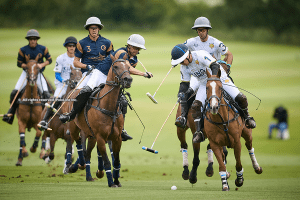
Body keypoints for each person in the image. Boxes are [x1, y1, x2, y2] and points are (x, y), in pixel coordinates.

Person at [59, 34, 153, 141]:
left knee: (123, 101)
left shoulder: (134, 60)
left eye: (138, 48)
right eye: (135, 47)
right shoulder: (121, 52)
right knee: (86, 91)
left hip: (111, 80)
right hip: (100, 73)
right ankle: (71, 115)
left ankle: (121, 129)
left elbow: (125, 72)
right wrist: (143, 74)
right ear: (129, 46)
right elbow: (128, 67)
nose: (136, 50)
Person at [170, 44, 256, 144]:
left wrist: (214, 80)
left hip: (220, 79)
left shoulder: (200, 55)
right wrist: (181, 93)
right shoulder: (184, 67)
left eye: (182, 61)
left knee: (241, 98)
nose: (182, 63)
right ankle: (199, 132)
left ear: (188, 55)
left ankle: (247, 118)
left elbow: (214, 65)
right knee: (196, 106)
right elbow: (184, 83)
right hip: (203, 84)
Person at [180, 16, 234, 167]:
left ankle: (243, 117)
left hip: (215, 75)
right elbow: (180, 49)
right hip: (199, 76)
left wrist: (227, 68)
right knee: (188, 96)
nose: (200, 33)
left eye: (202, 30)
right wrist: (177, 58)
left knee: (231, 96)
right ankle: (185, 119)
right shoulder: (191, 42)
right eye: (198, 30)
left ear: (207, 30)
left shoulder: (216, 43)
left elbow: (229, 54)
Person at [2, 29, 52, 125]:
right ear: (28, 40)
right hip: (26, 74)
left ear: (37, 39)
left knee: (46, 94)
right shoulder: (23, 50)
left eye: (34, 39)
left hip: (38, 74)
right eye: (31, 39)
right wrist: (29, 67)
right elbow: (19, 63)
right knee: (14, 93)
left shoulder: (43, 49)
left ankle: (46, 118)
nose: (33, 41)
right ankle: (10, 114)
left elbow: (49, 60)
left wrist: (41, 65)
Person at [38, 36, 78, 129]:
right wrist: (64, 81)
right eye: (69, 45)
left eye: (73, 46)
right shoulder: (61, 58)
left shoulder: (78, 59)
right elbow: (57, 75)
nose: (72, 47)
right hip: (63, 84)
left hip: (76, 85)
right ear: (66, 47)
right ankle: (45, 120)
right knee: (56, 98)